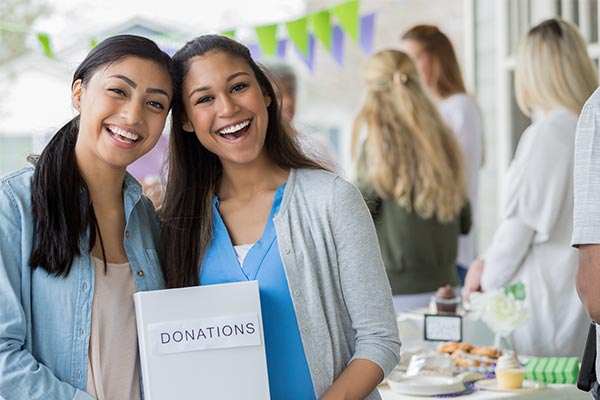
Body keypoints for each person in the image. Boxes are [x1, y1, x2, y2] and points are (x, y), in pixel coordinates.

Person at [160, 34, 400, 399]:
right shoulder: (178, 224)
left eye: (238, 86)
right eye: (204, 98)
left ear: (266, 94)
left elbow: (379, 340)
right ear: (187, 122)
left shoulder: (332, 199)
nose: (227, 108)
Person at [0, 35, 174, 399]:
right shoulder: (13, 205)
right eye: (118, 91)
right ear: (79, 93)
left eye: (154, 103)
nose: (133, 115)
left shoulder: (147, 220)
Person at [464, 18, 597, 357]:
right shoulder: (587, 129)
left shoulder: (546, 135)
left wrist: (484, 277)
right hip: (582, 314)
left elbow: (518, 230)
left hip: (544, 313)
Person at [351, 49, 470, 313]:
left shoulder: (376, 148)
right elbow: (465, 221)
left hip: (396, 295)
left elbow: (357, 214)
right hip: (448, 290)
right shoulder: (445, 142)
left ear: (371, 95)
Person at [400, 25, 484, 285]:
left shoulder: (459, 108)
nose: (407, 70)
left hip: (450, 248)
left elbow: (457, 179)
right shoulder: (435, 110)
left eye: (415, 59)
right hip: (429, 248)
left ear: (436, 60)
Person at [266, 60, 340, 173]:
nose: (288, 101)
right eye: (278, 95)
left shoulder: (317, 144)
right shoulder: (260, 149)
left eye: (291, 92)